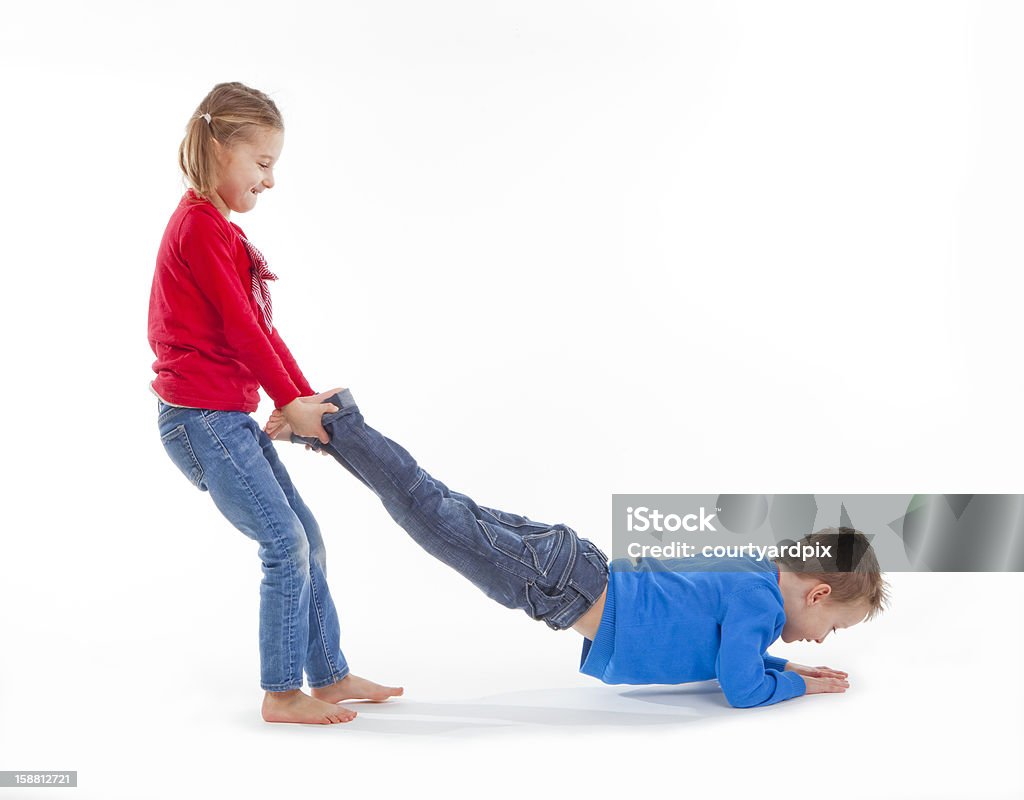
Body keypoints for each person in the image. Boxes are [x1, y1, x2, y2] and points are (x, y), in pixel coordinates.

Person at [266, 388, 890, 709]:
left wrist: (782, 666)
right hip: (563, 582)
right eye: (832, 626)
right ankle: (335, 422)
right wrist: (797, 687)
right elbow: (741, 686)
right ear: (818, 592)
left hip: (570, 565)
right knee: (429, 513)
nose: (821, 640)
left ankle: (329, 432)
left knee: (434, 504)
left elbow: (741, 658)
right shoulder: (761, 607)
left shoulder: (752, 580)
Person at [148, 83, 401, 725]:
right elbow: (240, 331)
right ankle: (281, 691)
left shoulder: (220, 233)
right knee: (284, 542)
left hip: (224, 416)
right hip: (202, 421)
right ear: (216, 148)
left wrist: (301, 399)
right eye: (262, 163)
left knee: (306, 535)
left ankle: (330, 675)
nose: (271, 180)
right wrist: (292, 401)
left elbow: (262, 334)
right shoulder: (200, 228)